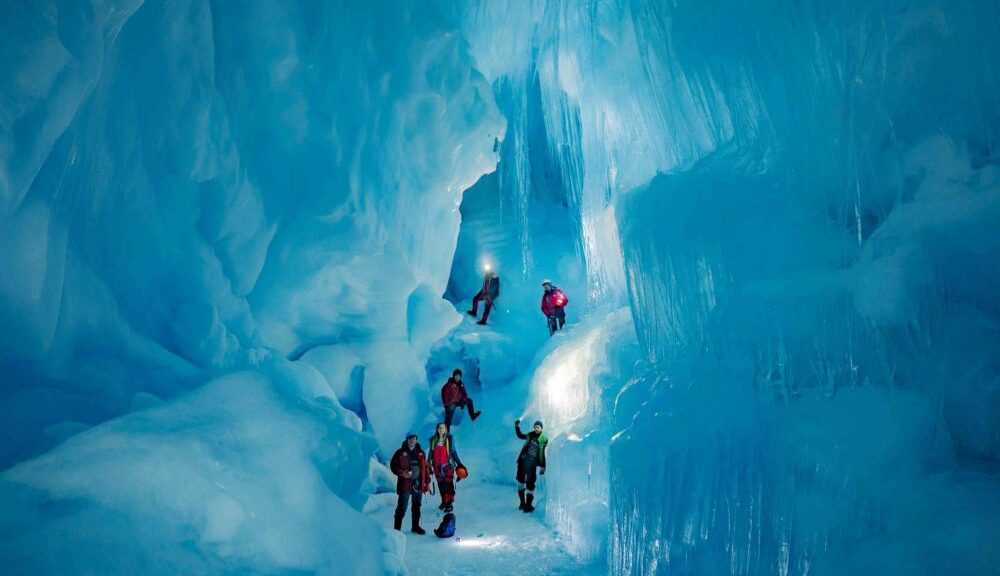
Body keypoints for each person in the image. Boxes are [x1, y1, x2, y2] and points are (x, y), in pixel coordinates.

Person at [389, 432, 430, 534]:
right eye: (410, 438)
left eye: (414, 438)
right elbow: (393, 466)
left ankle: (415, 527)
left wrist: (427, 481)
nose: (412, 440)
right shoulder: (400, 452)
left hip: (418, 484)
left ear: (416, 440)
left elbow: (426, 467)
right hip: (405, 484)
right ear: (407, 440)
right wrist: (403, 473)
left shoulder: (421, 453)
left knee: (416, 506)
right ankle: (397, 531)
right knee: (402, 507)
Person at [428, 422, 466, 513]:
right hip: (437, 467)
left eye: (443, 428)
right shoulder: (433, 440)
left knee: (448, 484)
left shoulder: (449, 439)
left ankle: (449, 504)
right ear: (437, 429)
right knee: (441, 485)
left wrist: (460, 464)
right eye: (439, 428)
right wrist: (428, 465)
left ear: (446, 429)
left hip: (448, 466)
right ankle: (444, 501)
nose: (441, 429)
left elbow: (453, 452)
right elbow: (430, 453)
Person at [514, 419, 548, 512]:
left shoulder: (544, 439)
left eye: (538, 427)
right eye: (535, 427)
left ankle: (528, 506)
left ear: (541, 428)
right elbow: (520, 435)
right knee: (520, 481)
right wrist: (517, 427)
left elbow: (542, 453)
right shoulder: (530, 434)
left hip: (532, 465)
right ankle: (522, 503)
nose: (536, 429)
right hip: (522, 462)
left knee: (530, 484)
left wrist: (543, 466)